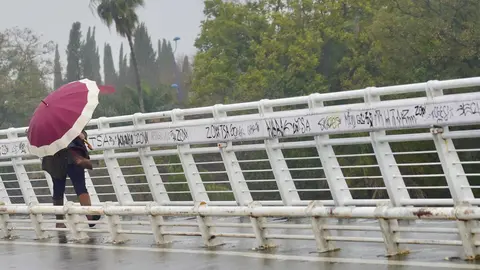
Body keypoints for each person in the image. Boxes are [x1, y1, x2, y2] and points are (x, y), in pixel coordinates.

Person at [42, 130, 101, 228]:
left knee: (66, 187)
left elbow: (82, 132)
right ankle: (87, 216)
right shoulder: (65, 120)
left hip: (59, 158)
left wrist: (83, 135)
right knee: (72, 186)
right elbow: (81, 131)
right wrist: (82, 135)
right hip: (67, 157)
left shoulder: (46, 125)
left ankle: (61, 221)